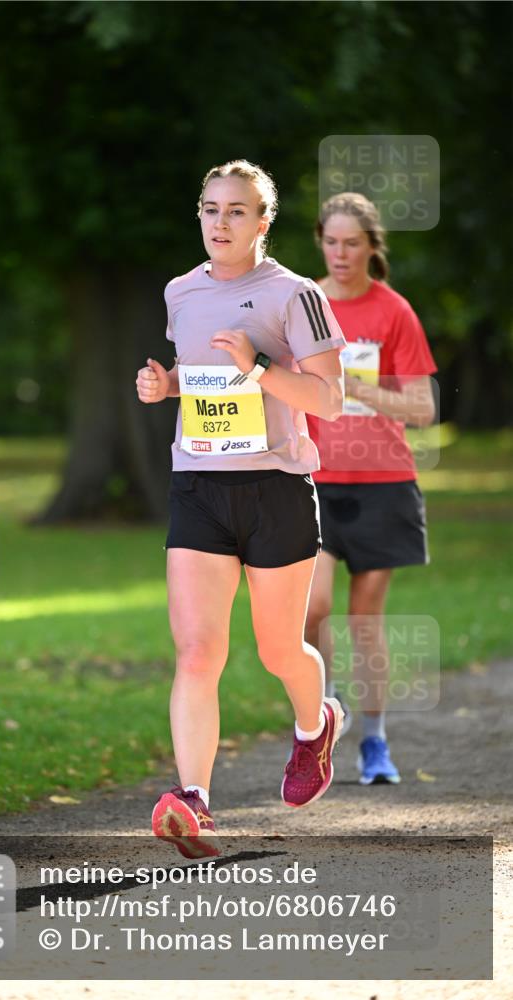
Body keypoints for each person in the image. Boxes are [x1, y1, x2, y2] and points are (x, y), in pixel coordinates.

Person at [136, 160, 347, 859]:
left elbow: (328, 401)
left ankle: (314, 726)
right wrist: (166, 386)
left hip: (276, 489)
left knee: (278, 649)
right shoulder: (181, 292)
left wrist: (258, 365)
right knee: (198, 650)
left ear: (263, 222)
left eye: (236, 211)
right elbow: (204, 382)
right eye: (210, 208)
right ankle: (193, 800)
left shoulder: (296, 295)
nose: (219, 222)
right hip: (198, 485)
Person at [304, 192, 437, 786]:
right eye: (331, 242)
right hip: (312, 481)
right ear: (320, 242)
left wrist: (355, 387)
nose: (340, 253)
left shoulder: (393, 311)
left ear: (370, 247)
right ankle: (327, 708)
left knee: (364, 620)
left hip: (384, 483)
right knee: (313, 608)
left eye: (351, 243)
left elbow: (422, 407)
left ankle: (375, 742)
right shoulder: (303, 306)